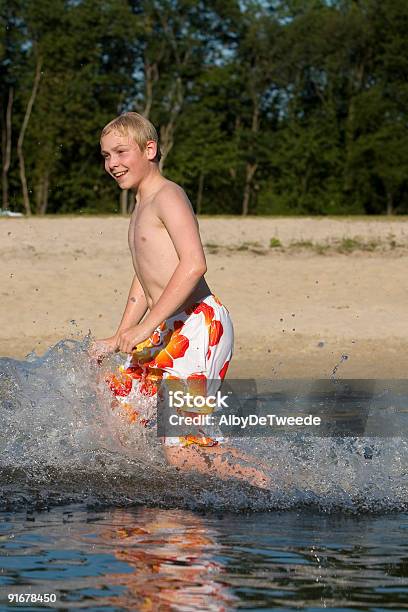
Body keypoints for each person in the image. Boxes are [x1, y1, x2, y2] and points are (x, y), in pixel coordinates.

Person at [91, 112, 269, 488]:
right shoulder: (140, 207)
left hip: (198, 326)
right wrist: (120, 334)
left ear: (150, 149)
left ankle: (274, 488)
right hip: (166, 328)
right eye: (106, 155)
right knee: (119, 405)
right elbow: (143, 278)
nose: (112, 164)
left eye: (121, 152)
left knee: (183, 450)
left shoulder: (168, 195)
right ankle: (156, 505)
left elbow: (193, 265)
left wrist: (145, 326)